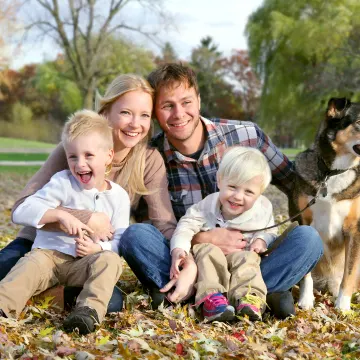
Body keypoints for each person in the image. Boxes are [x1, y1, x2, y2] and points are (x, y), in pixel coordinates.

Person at [119, 62, 324, 319]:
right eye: (167, 106)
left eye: (186, 102)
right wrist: (201, 239)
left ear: (199, 100)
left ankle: (236, 294)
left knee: (309, 239)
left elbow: (296, 183)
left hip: (250, 262)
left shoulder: (247, 135)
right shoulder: (151, 157)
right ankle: (247, 295)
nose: (179, 113)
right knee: (136, 236)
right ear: (156, 113)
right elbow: (148, 225)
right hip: (191, 265)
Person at [0, 74, 195, 311]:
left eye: (144, 115)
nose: (135, 124)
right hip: (41, 247)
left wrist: (188, 259)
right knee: (6, 269)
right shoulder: (75, 148)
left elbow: (163, 223)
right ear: (105, 114)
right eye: (125, 113)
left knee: (112, 302)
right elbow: (22, 204)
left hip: (88, 256)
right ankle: (37, 290)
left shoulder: (149, 159)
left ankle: (40, 294)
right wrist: (86, 218)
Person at [0, 110, 129, 335]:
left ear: (108, 156)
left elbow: (120, 239)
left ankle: (87, 312)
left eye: (88, 155)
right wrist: (60, 215)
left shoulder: (119, 197)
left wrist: (99, 248)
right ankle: (4, 305)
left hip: (84, 263)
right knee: (28, 266)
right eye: (73, 156)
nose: (80, 164)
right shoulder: (62, 182)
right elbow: (24, 211)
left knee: (109, 261)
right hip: (48, 257)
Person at [170, 146, 277, 322]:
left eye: (248, 192)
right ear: (220, 181)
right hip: (211, 260)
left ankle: (249, 299)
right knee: (207, 250)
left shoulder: (263, 209)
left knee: (248, 260)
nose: (237, 196)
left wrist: (261, 240)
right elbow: (185, 225)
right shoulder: (206, 205)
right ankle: (212, 299)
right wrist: (179, 248)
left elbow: (270, 231)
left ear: (259, 193)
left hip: (241, 256)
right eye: (232, 187)